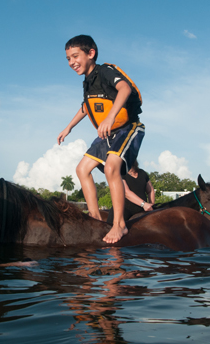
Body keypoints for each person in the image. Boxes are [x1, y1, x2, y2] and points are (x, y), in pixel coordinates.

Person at [58, 35, 145, 244]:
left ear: (91, 54)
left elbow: (125, 88)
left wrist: (111, 116)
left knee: (111, 168)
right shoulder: (87, 82)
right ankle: (95, 218)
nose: (71, 62)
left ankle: (119, 225)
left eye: (75, 56)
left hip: (127, 128)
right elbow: (86, 107)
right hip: (107, 134)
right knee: (82, 169)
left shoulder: (105, 71)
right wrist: (68, 127)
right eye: (68, 58)